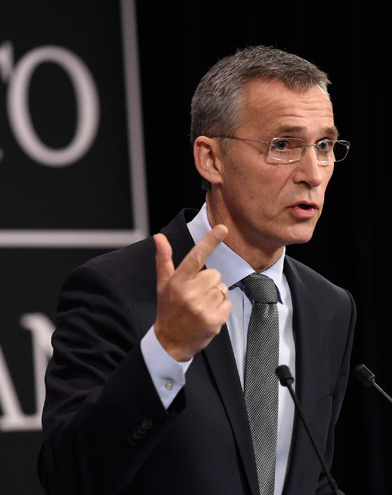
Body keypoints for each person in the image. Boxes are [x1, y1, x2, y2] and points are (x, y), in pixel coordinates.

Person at [38, 45, 356, 495]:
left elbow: (310, 477)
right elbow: (70, 477)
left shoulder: (329, 307)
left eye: (324, 145)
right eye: (283, 145)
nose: (313, 173)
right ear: (211, 159)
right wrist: (167, 350)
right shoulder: (115, 289)